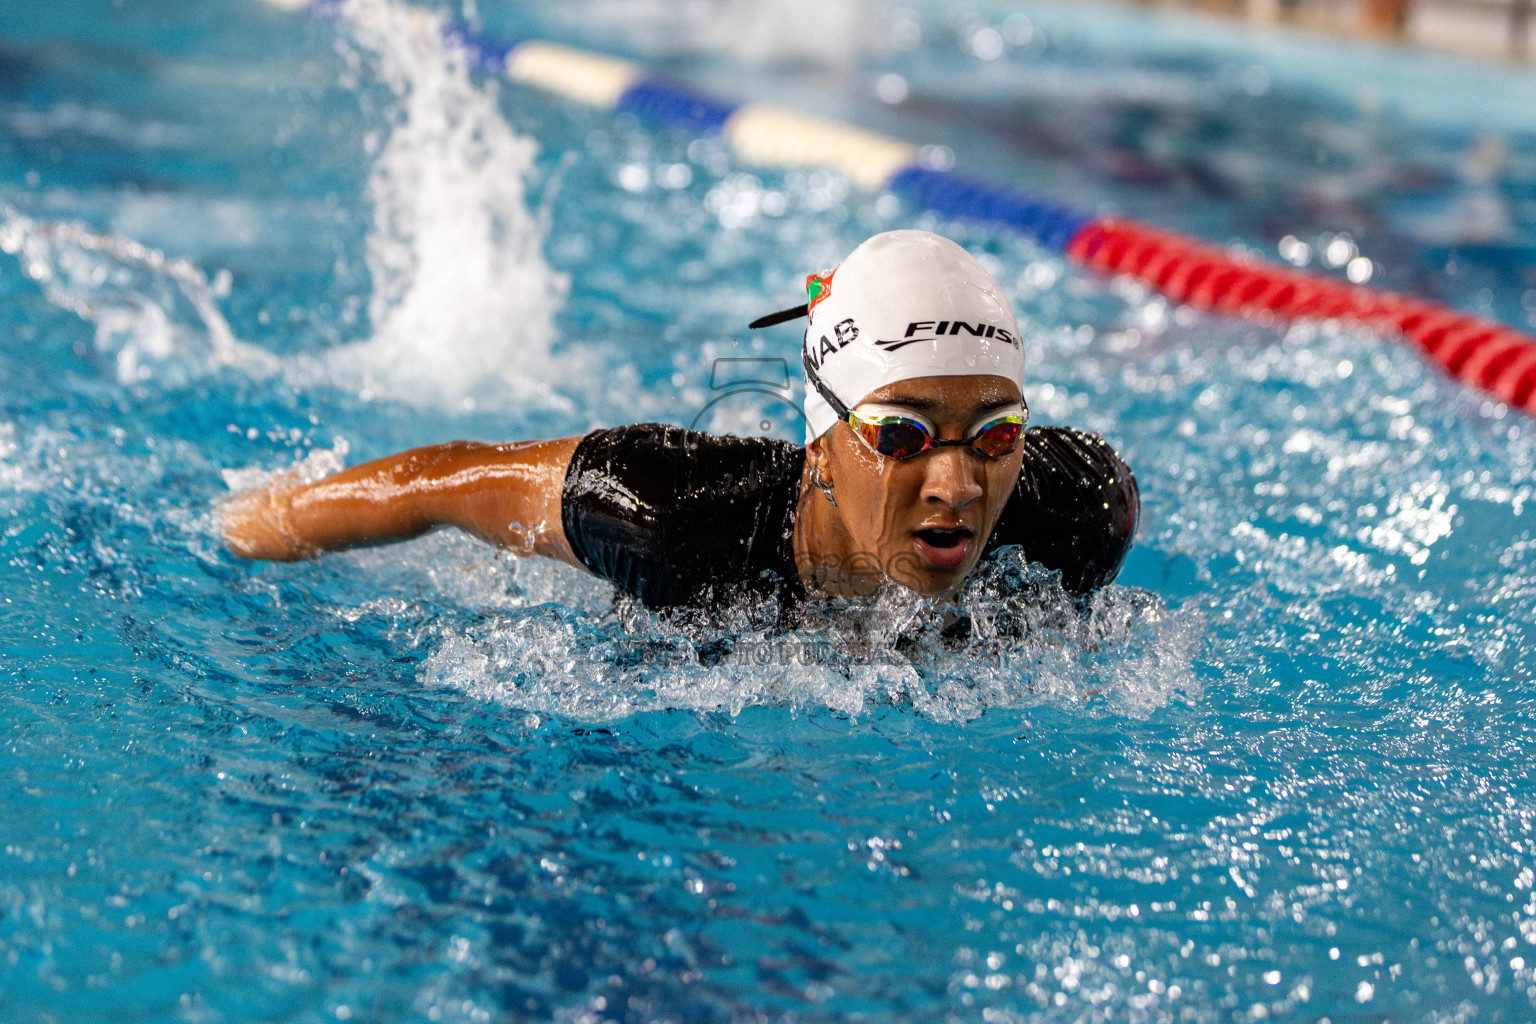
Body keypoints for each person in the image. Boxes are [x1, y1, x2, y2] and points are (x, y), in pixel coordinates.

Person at [222, 230, 1139, 609]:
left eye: (995, 435)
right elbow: (442, 484)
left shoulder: (1073, 518)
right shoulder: (671, 514)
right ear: (820, 441)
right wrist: (248, 528)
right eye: (899, 433)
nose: (957, 482)